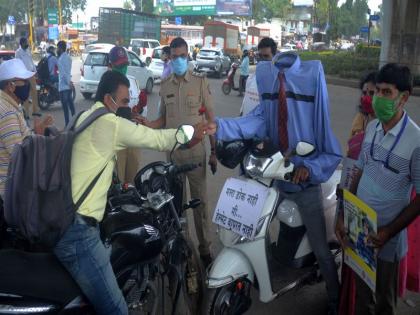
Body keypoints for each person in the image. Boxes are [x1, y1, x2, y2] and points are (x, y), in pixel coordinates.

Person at [53, 70, 209, 315]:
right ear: (108, 99)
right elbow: (156, 139)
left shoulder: (84, 115)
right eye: (124, 101)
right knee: (116, 309)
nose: (128, 107)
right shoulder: (109, 123)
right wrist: (189, 133)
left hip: (67, 217)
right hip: (79, 232)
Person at [207, 51, 342, 315]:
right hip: (275, 176)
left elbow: (325, 138)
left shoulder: (312, 76)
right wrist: (219, 127)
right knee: (256, 220)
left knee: (321, 249)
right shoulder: (267, 76)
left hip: (303, 181)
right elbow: (259, 119)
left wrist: (309, 168)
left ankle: (335, 301)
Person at [335, 63, 420, 315]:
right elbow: (358, 172)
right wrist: (342, 214)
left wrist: (388, 231)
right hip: (359, 230)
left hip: (387, 241)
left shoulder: (416, 142)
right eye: (376, 92)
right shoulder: (371, 128)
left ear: (403, 98)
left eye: (386, 93)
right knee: (362, 299)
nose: (378, 99)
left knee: (384, 303)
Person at [140, 37, 216, 267]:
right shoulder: (165, 85)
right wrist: (147, 124)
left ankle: (205, 250)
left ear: (188, 56)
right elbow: (163, 119)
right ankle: (184, 247)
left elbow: (211, 119)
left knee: (200, 204)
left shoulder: (200, 82)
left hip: (195, 154)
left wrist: (214, 151)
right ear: (169, 58)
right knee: (176, 204)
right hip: (173, 155)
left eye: (183, 56)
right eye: (175, 57)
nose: (179, 60)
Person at [0, 59, 53, 198]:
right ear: (11, 86)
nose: (28, 86)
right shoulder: (8, 113)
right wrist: (40, 139)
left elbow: (17, 140)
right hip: (12, 191)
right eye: (24, 82)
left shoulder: (9, 105)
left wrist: (35, 131)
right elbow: (19, 156)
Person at [108, 46, 144, 184]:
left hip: (133, 137)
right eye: (119, 65)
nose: (123, 68)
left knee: (132, 180)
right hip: (116, 140)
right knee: (118, 179)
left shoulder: (132, 82)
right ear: (110, 65)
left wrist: (138, 110)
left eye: (124, 65)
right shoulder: (107, 85)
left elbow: (140, 110)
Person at [240, 37, 278, 116]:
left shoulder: (279, 83)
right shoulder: (251, 79)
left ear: (275, 57)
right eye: (260, 56)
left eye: (266, 56)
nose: (262, 60)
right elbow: (244, 107)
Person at [15, 37, 40, 117]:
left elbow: (31, 62)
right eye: (26, 42)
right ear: (22, 43)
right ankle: (26, 113)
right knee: (26, 95)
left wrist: (35, 71)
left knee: (34, 92)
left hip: (31, 73)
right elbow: (18, 64)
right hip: (24, 75)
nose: (28, 44)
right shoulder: (18, 52)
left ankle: (35, 111)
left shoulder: (28, 50)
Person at [57, 40, 75, 125]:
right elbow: (68, 72)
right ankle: (75, 122)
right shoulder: (69, 58)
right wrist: (70, 83)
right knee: (71, 106)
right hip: (68, 85)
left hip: (63, 86)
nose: (57, 49)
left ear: (60, 48)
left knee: (65, 108)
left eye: (57, 48)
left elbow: (63, 74)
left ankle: (68, 125)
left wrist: (68, 83)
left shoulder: (60, 60)